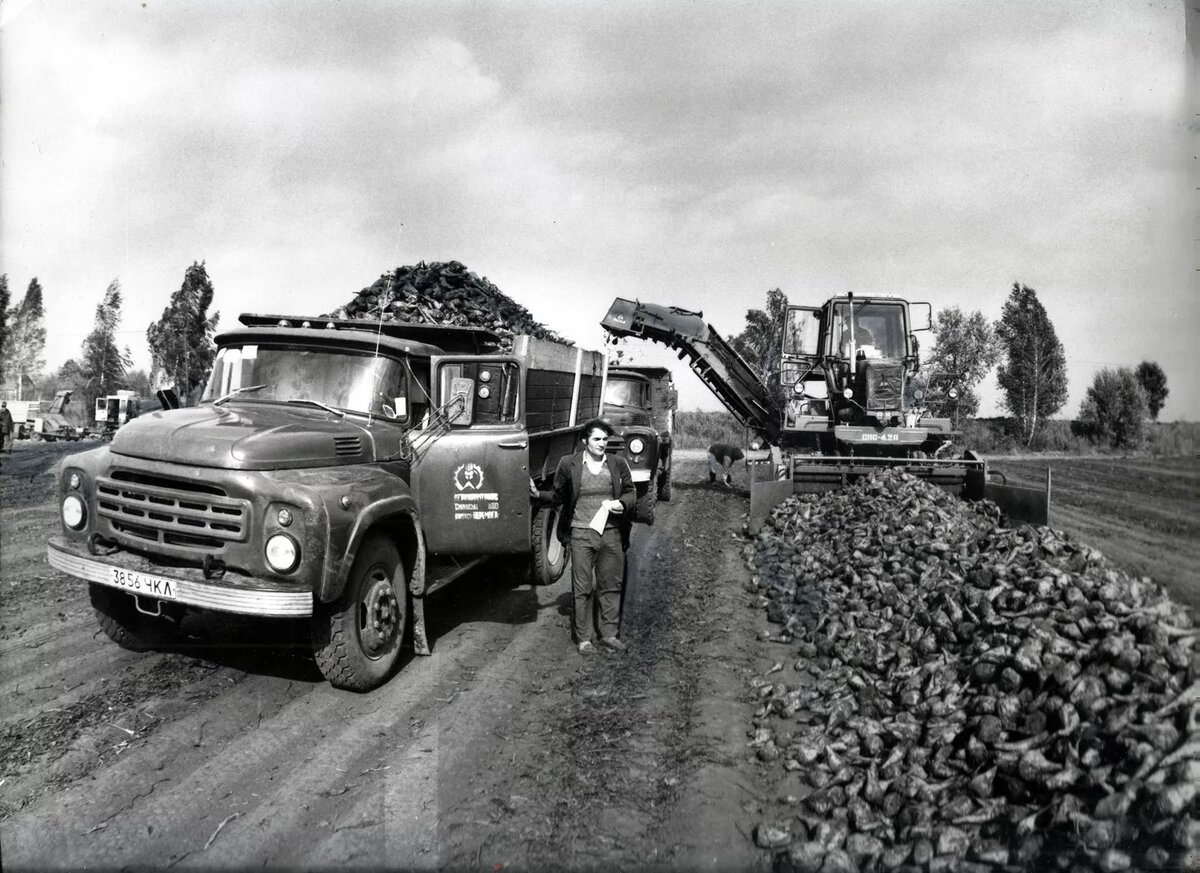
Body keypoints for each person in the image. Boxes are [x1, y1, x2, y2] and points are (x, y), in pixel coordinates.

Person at [532, 418, 636, 656]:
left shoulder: (617, 463)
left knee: (611, 585)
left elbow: (631, 491)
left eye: (605, 439)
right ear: (585, 441)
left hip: (611, 533)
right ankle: (584, 639)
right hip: (580, 534)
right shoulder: (569, 464)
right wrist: (538, 494)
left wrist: (622, 503)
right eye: (597, 439)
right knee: (583, 588)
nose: (602, 444)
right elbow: (558, 496)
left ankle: (609, 635)